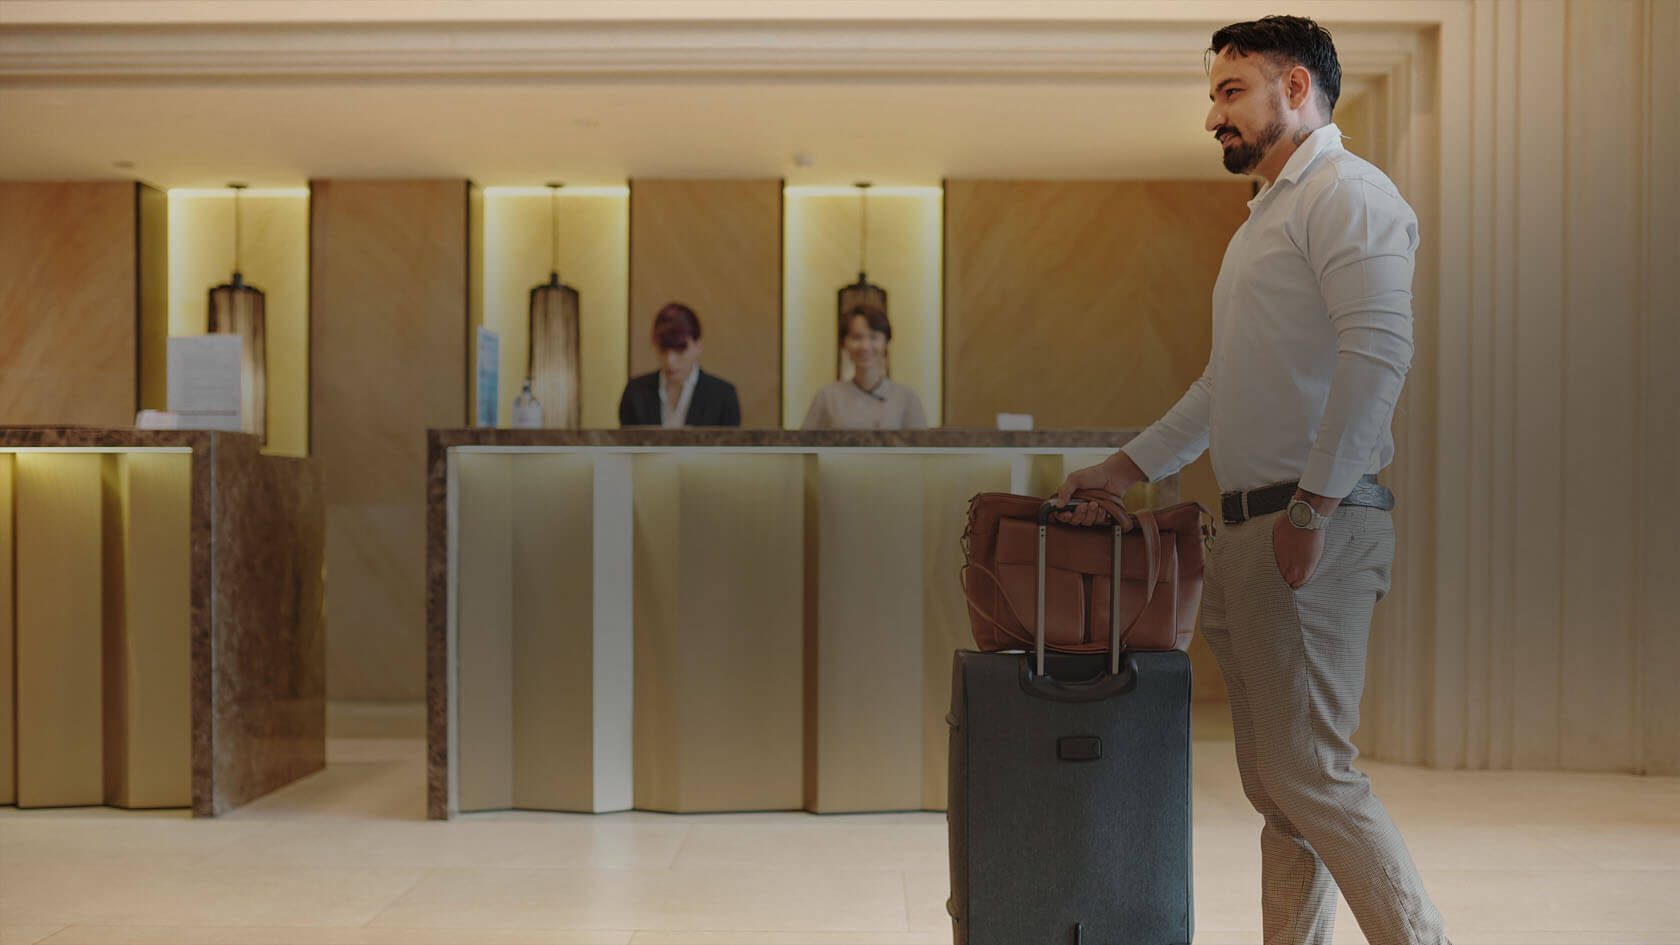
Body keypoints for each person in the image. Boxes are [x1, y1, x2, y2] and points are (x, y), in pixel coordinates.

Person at [1054, 16, 1452, 945]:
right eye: (1214, 96)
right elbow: (1219, 386)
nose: (1213, 118)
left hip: (1308, 525)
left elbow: (1380, 354)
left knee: (1313, 773)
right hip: (1247, 533)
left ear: (1297, 88)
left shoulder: (1349, 195)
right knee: (1278, 789)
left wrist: (1313, 505)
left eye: (1231, 92)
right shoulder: (1267, 218)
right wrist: (1128, 466)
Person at [800, 302, 928, 430]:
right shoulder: (827, 397)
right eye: (856, 337)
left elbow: (920, 448)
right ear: (844, 343)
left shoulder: (907, 398)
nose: (865, 346)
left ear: (886, 342)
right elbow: (806, 446)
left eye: (874, 337)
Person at [618, 302, 741, 427]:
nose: (669, 360)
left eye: (680, 350)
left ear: (698, 345)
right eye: (663, 350)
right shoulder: (635, 392)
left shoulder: (722, 395)